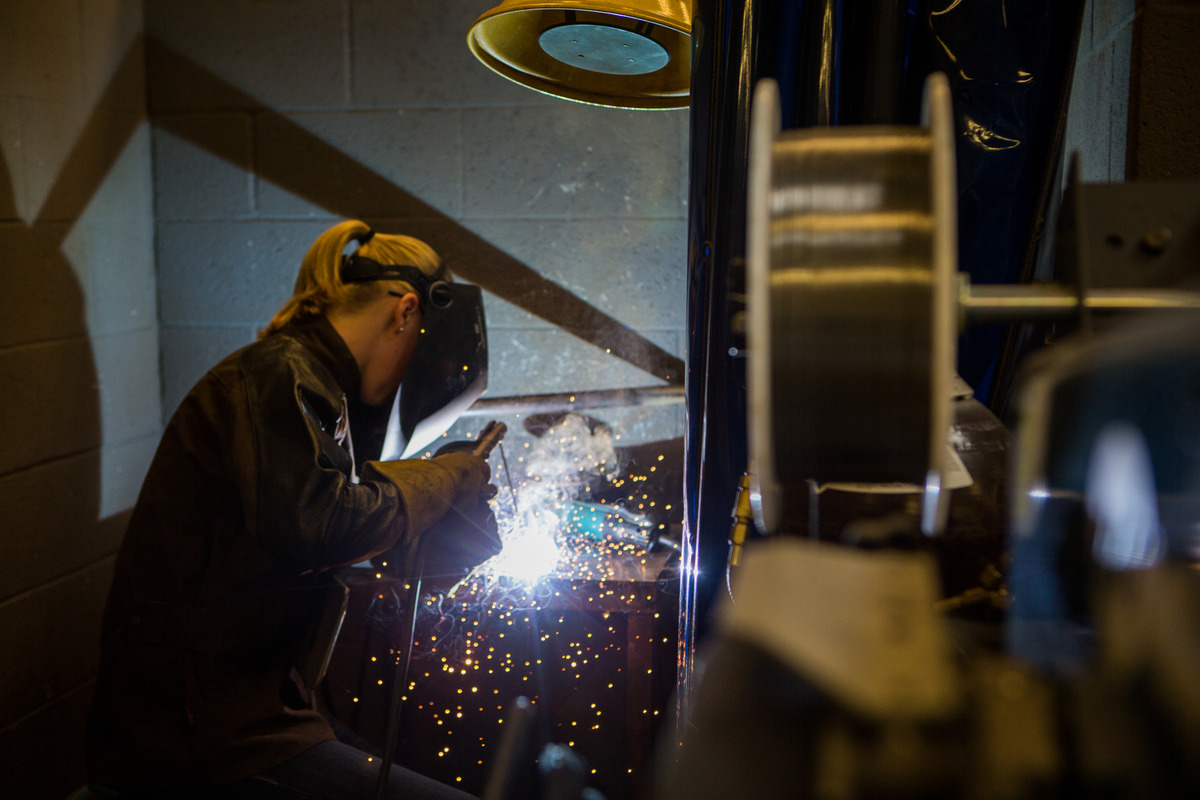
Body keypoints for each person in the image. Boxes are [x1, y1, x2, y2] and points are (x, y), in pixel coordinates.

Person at [86, 220, 499, 799]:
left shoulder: (318, 386)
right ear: (405, 312)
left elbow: (305, 534)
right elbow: (314, 526)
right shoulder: (279, 373)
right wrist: (432, 482)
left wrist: (431, 535)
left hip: (255, 709)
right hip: (197, 738)